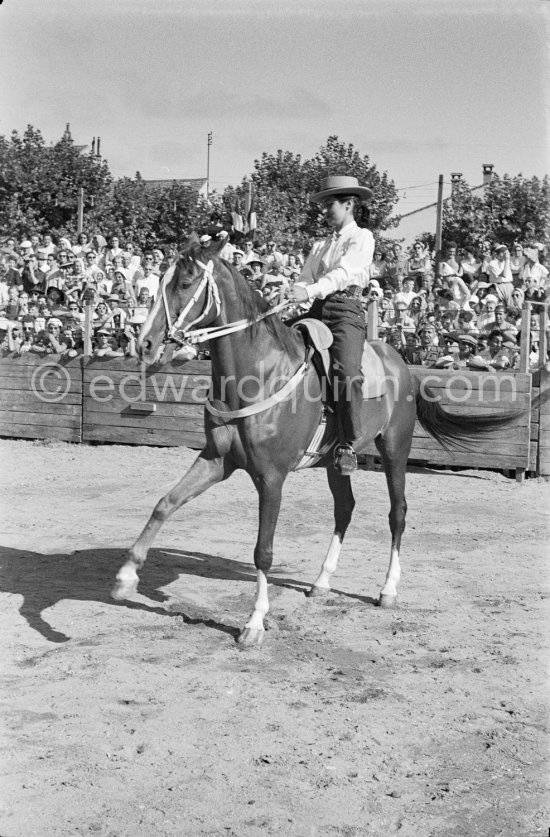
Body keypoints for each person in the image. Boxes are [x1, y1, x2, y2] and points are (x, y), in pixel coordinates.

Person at [287, 175, 374, 474]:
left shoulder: (362, 238)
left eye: (329, 205)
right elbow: (305, 277)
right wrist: (293, 291)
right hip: (317, 306)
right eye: (323, 205)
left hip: (345, 309)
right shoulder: (320, 245)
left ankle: (347, 443)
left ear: (349, 204)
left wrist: (309, 290)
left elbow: (343, 273)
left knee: (348, 372)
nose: (323, 211)